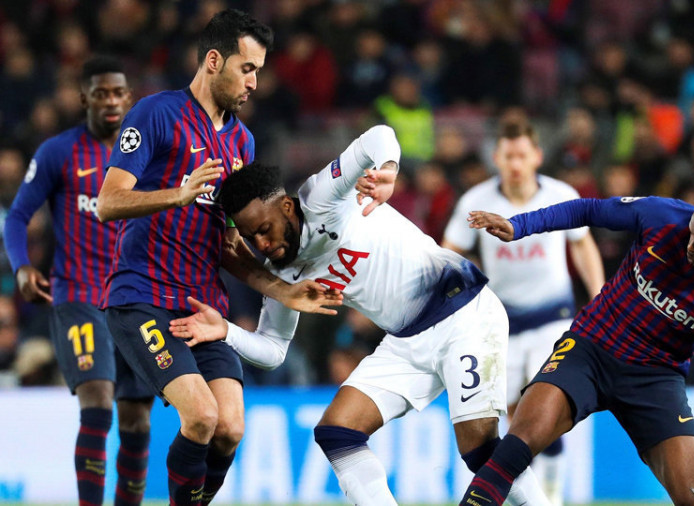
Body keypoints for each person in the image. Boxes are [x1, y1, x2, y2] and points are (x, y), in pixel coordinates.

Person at [168, 125, 550, 506]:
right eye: (252, 238)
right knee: (337, 431)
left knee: (479, 450)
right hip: (406, 339)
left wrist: (388, 170)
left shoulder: (322, 197)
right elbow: (273, 350)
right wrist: (226, 332)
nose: (263, 244)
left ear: (286, 207)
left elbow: (379, 136)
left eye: (265, 229)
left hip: (463, 312)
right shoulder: (282, 275)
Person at [95, 10, 335, 505]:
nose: (254, 83)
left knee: (229, 428)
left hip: (203, 310)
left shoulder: (241, 143)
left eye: (259, 72)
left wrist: (281, 289)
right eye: (246, 69)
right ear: (212, 61)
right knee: (200, 417)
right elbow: (108, 202)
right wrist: (176, 195)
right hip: (142, 298)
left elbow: (227, 246)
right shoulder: (156, 114)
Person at [458, 181, 694, 506]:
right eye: (693, 232)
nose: (691, 246)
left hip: (656, 378)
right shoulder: (662, 215)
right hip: (590, 348)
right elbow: (588, 209)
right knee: (516, 446)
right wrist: (519, 225)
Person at [3, 56, 155, 506]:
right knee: (97, 400)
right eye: (101, 93)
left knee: (136, 423)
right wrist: (21, 265)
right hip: (79, 296)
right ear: (84, 98)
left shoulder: (145, 154)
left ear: (129, 100)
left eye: (118, 93)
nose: (110, 101)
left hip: (134, 302)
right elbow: (17, 216)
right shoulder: (58, 152)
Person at [442, 121, 605, 504]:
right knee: (513, 419)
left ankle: (552, 493)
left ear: (537, 157)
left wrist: (598, 295)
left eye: (522, 155)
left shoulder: (561, 194)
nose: (515, 163)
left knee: (544, 404)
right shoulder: (476, 201)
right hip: (501, 325)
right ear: (496, 158)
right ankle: (530, 493)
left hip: (555, 317)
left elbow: (583, 245)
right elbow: (449, 253)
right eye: (508, 155)